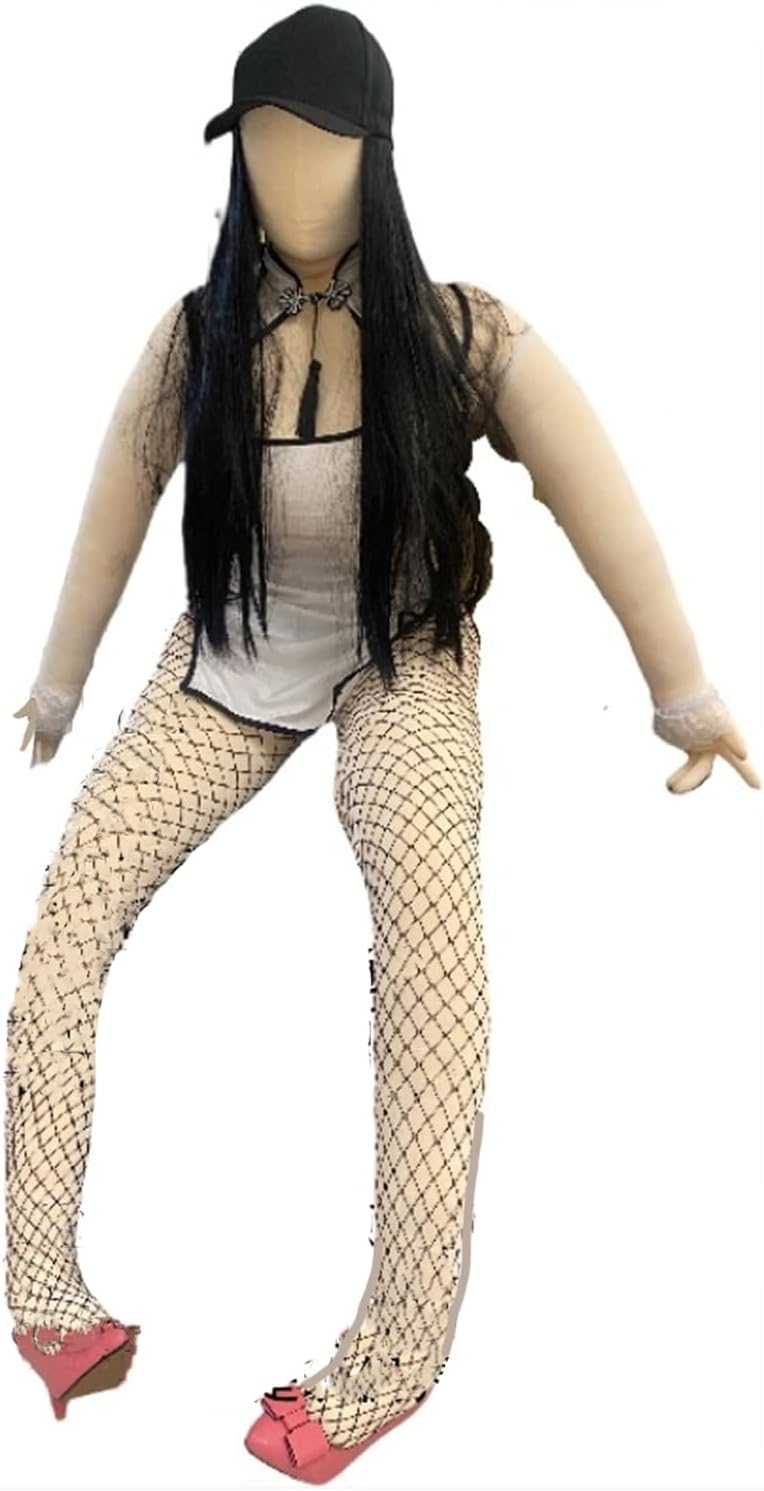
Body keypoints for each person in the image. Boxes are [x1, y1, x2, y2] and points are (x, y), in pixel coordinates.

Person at [6, 4, 759, 1482]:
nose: (289, 177)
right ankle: (42, 1296)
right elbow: (112, 509)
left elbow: (601, 504)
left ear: (378, 154)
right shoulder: (195, 338)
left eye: (321, 145)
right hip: (232, 654)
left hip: (403, 651)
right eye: (261, 146)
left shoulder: (461, 332)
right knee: (66, 922)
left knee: (428, 940)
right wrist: (56, 685)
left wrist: (683, 692)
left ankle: (394, 1356)